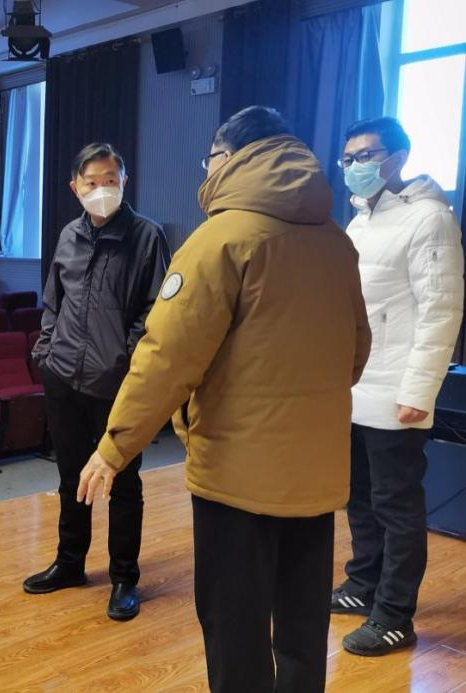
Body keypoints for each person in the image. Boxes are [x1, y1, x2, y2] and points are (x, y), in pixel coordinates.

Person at [77, 106, 371, 692]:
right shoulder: (336, 240)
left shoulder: (220, 239)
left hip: (237, 476)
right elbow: (356, 353)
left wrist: (114, 447)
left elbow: (166, 357)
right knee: (302, 627)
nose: (206, 169)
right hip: (315, 474)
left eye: (209, 159)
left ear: (230, 158)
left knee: (235, 627)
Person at [332, 117, 464, 656]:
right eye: (348, 159)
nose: (356, 166)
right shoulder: (360, 221)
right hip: (354, 387)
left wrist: (419, 391)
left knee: (397, 506)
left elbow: (441, 311)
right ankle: (363, 585)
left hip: (396, 392)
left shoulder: (429, 218)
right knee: (359, 498)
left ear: (399, 156)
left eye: (366, 155)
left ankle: (394, 615)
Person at [24, 143, 170, 621]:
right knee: (71, 477)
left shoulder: (146, 236)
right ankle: (70, 563)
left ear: (124, 181)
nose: (102, 188)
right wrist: (46, 352)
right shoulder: (68, 235)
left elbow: (155, 309)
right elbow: (54, 301)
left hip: (117, 382)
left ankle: (124, 576)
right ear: (76, 187)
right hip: (64, 375)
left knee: (123, 481)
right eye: (92, 182)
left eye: (111, 179)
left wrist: (127, 359)